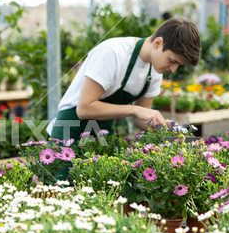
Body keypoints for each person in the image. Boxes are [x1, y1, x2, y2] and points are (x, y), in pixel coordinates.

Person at [47, 17, 201, 141]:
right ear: (157, 43)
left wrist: (162, 126)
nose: (173, 69)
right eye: (172, 61)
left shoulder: (154, 71)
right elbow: (84, 108)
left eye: (178, 65)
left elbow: (139, 120)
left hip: (102, 133)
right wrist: (135, 109)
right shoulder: (113, 53)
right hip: (69, 129)